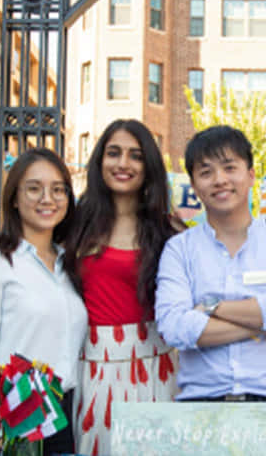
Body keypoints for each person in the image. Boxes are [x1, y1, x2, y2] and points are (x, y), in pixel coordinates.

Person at [154, 125, 266, 403]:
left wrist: (211, 308)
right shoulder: (179, 249)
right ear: (194, 186)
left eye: (229, 168)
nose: (219, 180)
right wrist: (264, 323)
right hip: (201, 405)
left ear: (250, 176)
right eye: (206, 172)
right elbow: (174, 327)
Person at [62, 119, 180, 455]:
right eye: (113, 153)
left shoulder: (167, 230)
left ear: (149, 166)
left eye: (135, 155)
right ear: (99, 161)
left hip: (156, 365)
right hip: (95, 367)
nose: (123, 164)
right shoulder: (74, 223)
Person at [0, 147, 86, 453]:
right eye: (34, 188)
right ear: (14, 198)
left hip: (62, 415)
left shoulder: (70, 265)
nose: (48, 198)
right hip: (10, 416)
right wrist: (0, 428)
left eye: (58, 190)